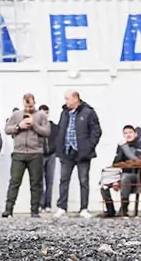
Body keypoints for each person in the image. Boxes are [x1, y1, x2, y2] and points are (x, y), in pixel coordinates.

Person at [52, 90, 102, 219]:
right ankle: (62, 207)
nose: (66, 101)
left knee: (84, 181)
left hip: (82, 153)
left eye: (67, 98)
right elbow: (60, 130)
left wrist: (88, 147)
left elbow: (96, 131)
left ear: (76, 99)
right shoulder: (64, 113)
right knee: (64, 180)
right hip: (67, 152)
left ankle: (84, 208)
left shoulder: (88, 112)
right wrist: (59, 146)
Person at [2, 93, 50, 218]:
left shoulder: (41, 115)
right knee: (14, 182)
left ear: (34, 103)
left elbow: (47, 132)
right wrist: (19, 126)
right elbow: (7, 129)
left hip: (35, 153)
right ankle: (8, 209)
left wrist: (34, 124)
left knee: (36, 183)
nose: (28, 109)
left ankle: (34, 210)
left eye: (30, 106)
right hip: (19, 153)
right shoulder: (16, 115)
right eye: (26, 106)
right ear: (23, 103)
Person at [99, 125, 141, 217]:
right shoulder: (122, 147)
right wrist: (115, 179)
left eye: (130, 132)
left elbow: (138, 162)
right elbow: (117, 163)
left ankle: (124, 208)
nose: (128, 135)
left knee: (125, 178)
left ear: (135, 134)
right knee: (103, 182)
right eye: (125, 133)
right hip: (122, 174)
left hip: (137, 175)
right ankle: (110, 209)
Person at [39, 104, 58, 213]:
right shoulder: (36, 127)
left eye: (46, 113)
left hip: (51, 155)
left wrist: (54, 150)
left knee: (49, 180)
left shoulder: (54, 127)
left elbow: (58, 139)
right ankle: (41, 204)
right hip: (40, 155)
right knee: (40, 181)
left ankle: (48, 204)